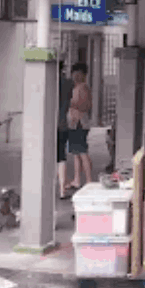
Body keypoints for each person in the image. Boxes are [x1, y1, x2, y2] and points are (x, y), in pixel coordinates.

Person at [65, 64, 93, 190]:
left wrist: (68, 101)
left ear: (83, 75)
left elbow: (82, 104)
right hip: (75, 124)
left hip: (79, 124)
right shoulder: (79, 87)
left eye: (78, 74)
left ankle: (89, 181)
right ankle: (77, 180)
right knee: (76, 154)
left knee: (82, 152)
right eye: (74, 73)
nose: (75, 76)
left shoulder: (82, 88)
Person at [57, 63, 74, 199]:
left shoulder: (48, 82)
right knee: (61, 157)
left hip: (47, 126)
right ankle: (62, 189)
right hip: (63, 124)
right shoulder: (68, 83)